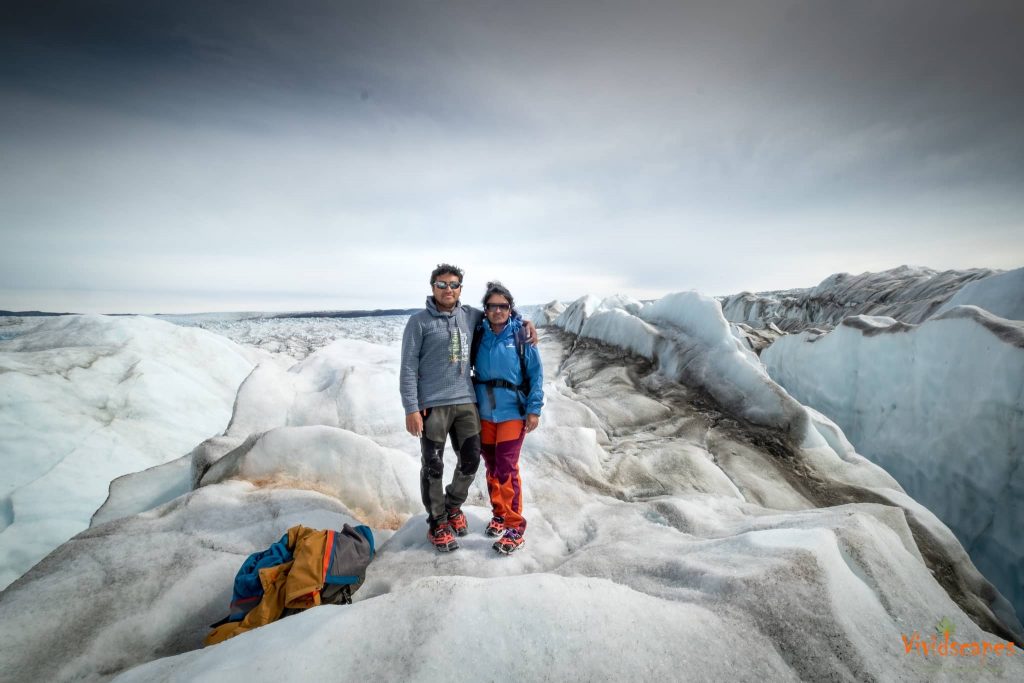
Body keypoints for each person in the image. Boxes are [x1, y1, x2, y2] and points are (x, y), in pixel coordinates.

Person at [400, 264, 536, 552]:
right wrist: (411, 407)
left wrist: (526, 322)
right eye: (441, 284)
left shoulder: (470, 316)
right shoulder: (419, 322)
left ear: (461, 288)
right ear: (432, 287)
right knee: (433, 465)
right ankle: (437, 522)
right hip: (433, 406)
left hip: (467, 402)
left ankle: (451, 507)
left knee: (472, 461)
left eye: (453, 285)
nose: (447, 290)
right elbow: (408, 367)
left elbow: (503, 314)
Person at [472, 281, 543, 555]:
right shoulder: (479, 333)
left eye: (503, 306)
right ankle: (499, 514)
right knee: (491, 466)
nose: (498, 310)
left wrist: (534, 409)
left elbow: (536, 374)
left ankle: (515, 527)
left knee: (506, 466)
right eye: (493, 306)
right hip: (485, 412)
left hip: (513, 410)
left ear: (510, 308)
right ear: (486, 309)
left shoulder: (521, 335)